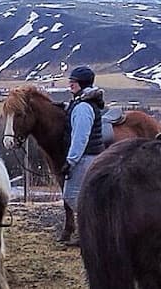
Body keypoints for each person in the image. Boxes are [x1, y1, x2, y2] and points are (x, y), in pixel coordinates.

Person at [60, 65, 106, 245]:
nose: (70, 83)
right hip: (88, 156)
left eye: (74, 81)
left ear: (82, 83)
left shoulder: (83, 107)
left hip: (86, 157)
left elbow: (80, 137)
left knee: (73, 195)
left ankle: (94, 232)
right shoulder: (81, 103)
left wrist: (71, 161)